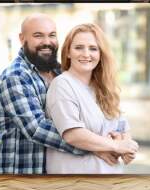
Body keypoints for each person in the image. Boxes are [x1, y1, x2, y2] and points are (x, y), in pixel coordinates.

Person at [0, 14, 137, 174]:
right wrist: (98, 146)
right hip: (23, 171)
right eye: (38, 35)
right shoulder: (16, 77)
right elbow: (37, 129)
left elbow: (118, 124)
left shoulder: (58, 71)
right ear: (22, 38)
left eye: (52, 35)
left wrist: (122, 144)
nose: (47, 42)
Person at [46, 23, 138, 174]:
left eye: (93, 48)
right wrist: (115, 146)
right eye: (79, 47)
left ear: (101, 54)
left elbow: (122, 126)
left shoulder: (104, 88)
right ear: (68, 52)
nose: (86, 54)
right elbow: (73, 134)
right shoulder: (62, 85)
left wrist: (126, 146)